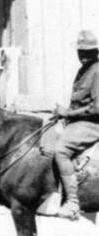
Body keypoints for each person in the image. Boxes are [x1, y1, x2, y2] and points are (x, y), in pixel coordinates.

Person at [48, 29, 99, 220]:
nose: (84, 55)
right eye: (81, 52)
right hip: (80, 120)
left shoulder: (97, 71)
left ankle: (72, 202)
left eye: (89, 52)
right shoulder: (83, 70)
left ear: (96, 52)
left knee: (61, 150)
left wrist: (67, 113)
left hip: (93, 124)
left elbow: (97, 108)